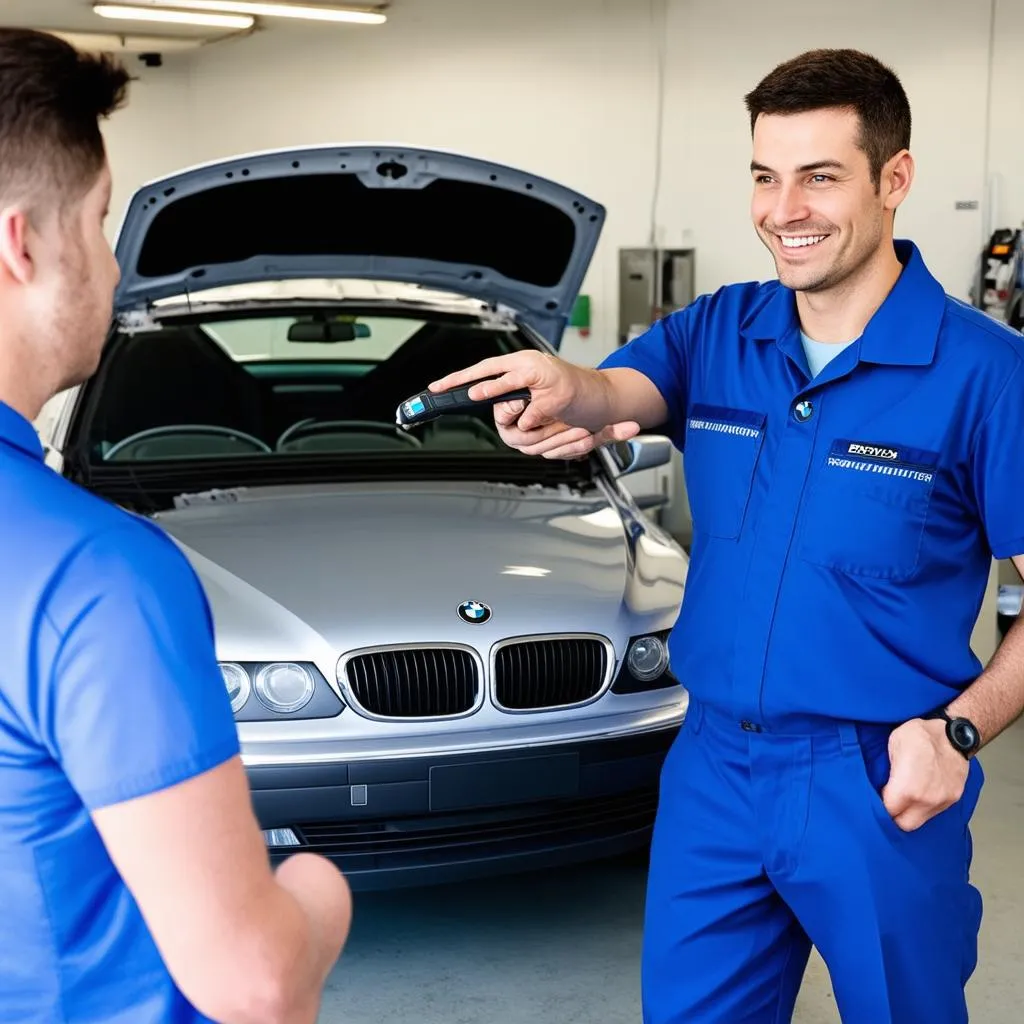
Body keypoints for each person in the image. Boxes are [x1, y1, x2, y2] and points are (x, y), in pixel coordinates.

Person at [430, 47, 1024, 1023]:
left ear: (894, 180)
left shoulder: (986, 374)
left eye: (819, 176)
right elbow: (613, 392)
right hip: (711, 768)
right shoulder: (718, 330)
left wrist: (958, 733)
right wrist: (559, 384)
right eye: (763, 175)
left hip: (877, 777)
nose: (782, 208)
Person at [0, 29, 352, 1024]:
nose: (114, 271)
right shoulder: (97, 575)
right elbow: (255, 984)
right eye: (102, 223)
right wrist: (316, 890)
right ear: (21, 243)